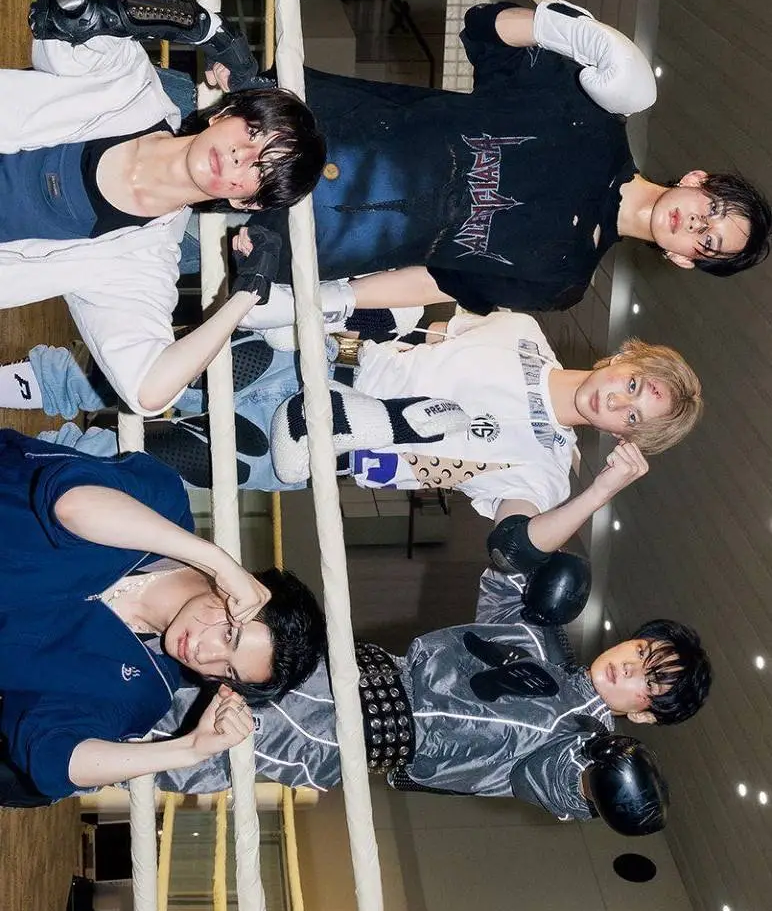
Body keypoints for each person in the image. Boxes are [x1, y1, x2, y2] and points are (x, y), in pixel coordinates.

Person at [199, 0, 769, 317]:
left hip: (291, 238)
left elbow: (438, 282)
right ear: (698, 179)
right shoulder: (592, 117)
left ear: (685, 260)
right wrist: (570, 32)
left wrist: (330, 301)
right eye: (713, 209)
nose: (697, 224)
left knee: (152, 236)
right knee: (152, 133)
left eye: (708, 241)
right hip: (283, 125)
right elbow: (486, 31)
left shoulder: (562, 281)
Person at [148, 520, 711, 833]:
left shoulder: (581, 743)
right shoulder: (539, 636)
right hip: (345, 664)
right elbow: (508, 560)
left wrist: (601, 776)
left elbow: (555, 782)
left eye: (647, 682)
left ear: (643, 714)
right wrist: (569, 534)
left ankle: (99, 750)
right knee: (191, 655)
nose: (629, 666)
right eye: (643, 652)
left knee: (189, 741)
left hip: (342, 736)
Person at [0, 0, 326, 415]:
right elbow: (73, 4)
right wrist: (207, 30)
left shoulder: (139, 264)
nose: (241, 155)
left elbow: (150, 392)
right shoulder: (128, 85)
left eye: (259, 170)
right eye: (252, 133)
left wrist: (248, 293)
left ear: (246, 202)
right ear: (224, 114)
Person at [15, 317, 703, 525]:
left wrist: (601, 491)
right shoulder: (522, 329)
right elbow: (419, 321)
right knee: (132, 376)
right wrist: (325, 306)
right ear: (622, 357)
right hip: (310, 359)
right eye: (633, 385)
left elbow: (520, 544)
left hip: (309, 444)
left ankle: (16, 468)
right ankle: (20, 382)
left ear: (625, 435)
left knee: (134, 461)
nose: (618, 402)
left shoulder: (547, 469)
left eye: (633, 416)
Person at [0, 427, 325, 806]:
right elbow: (70, 506)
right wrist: (215, 560)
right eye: (229, 636)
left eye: (228, 671)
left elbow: (54, 759)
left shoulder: (146, 690)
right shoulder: (163, 501)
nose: (205, 657)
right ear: (241, 589)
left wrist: (190, 749)